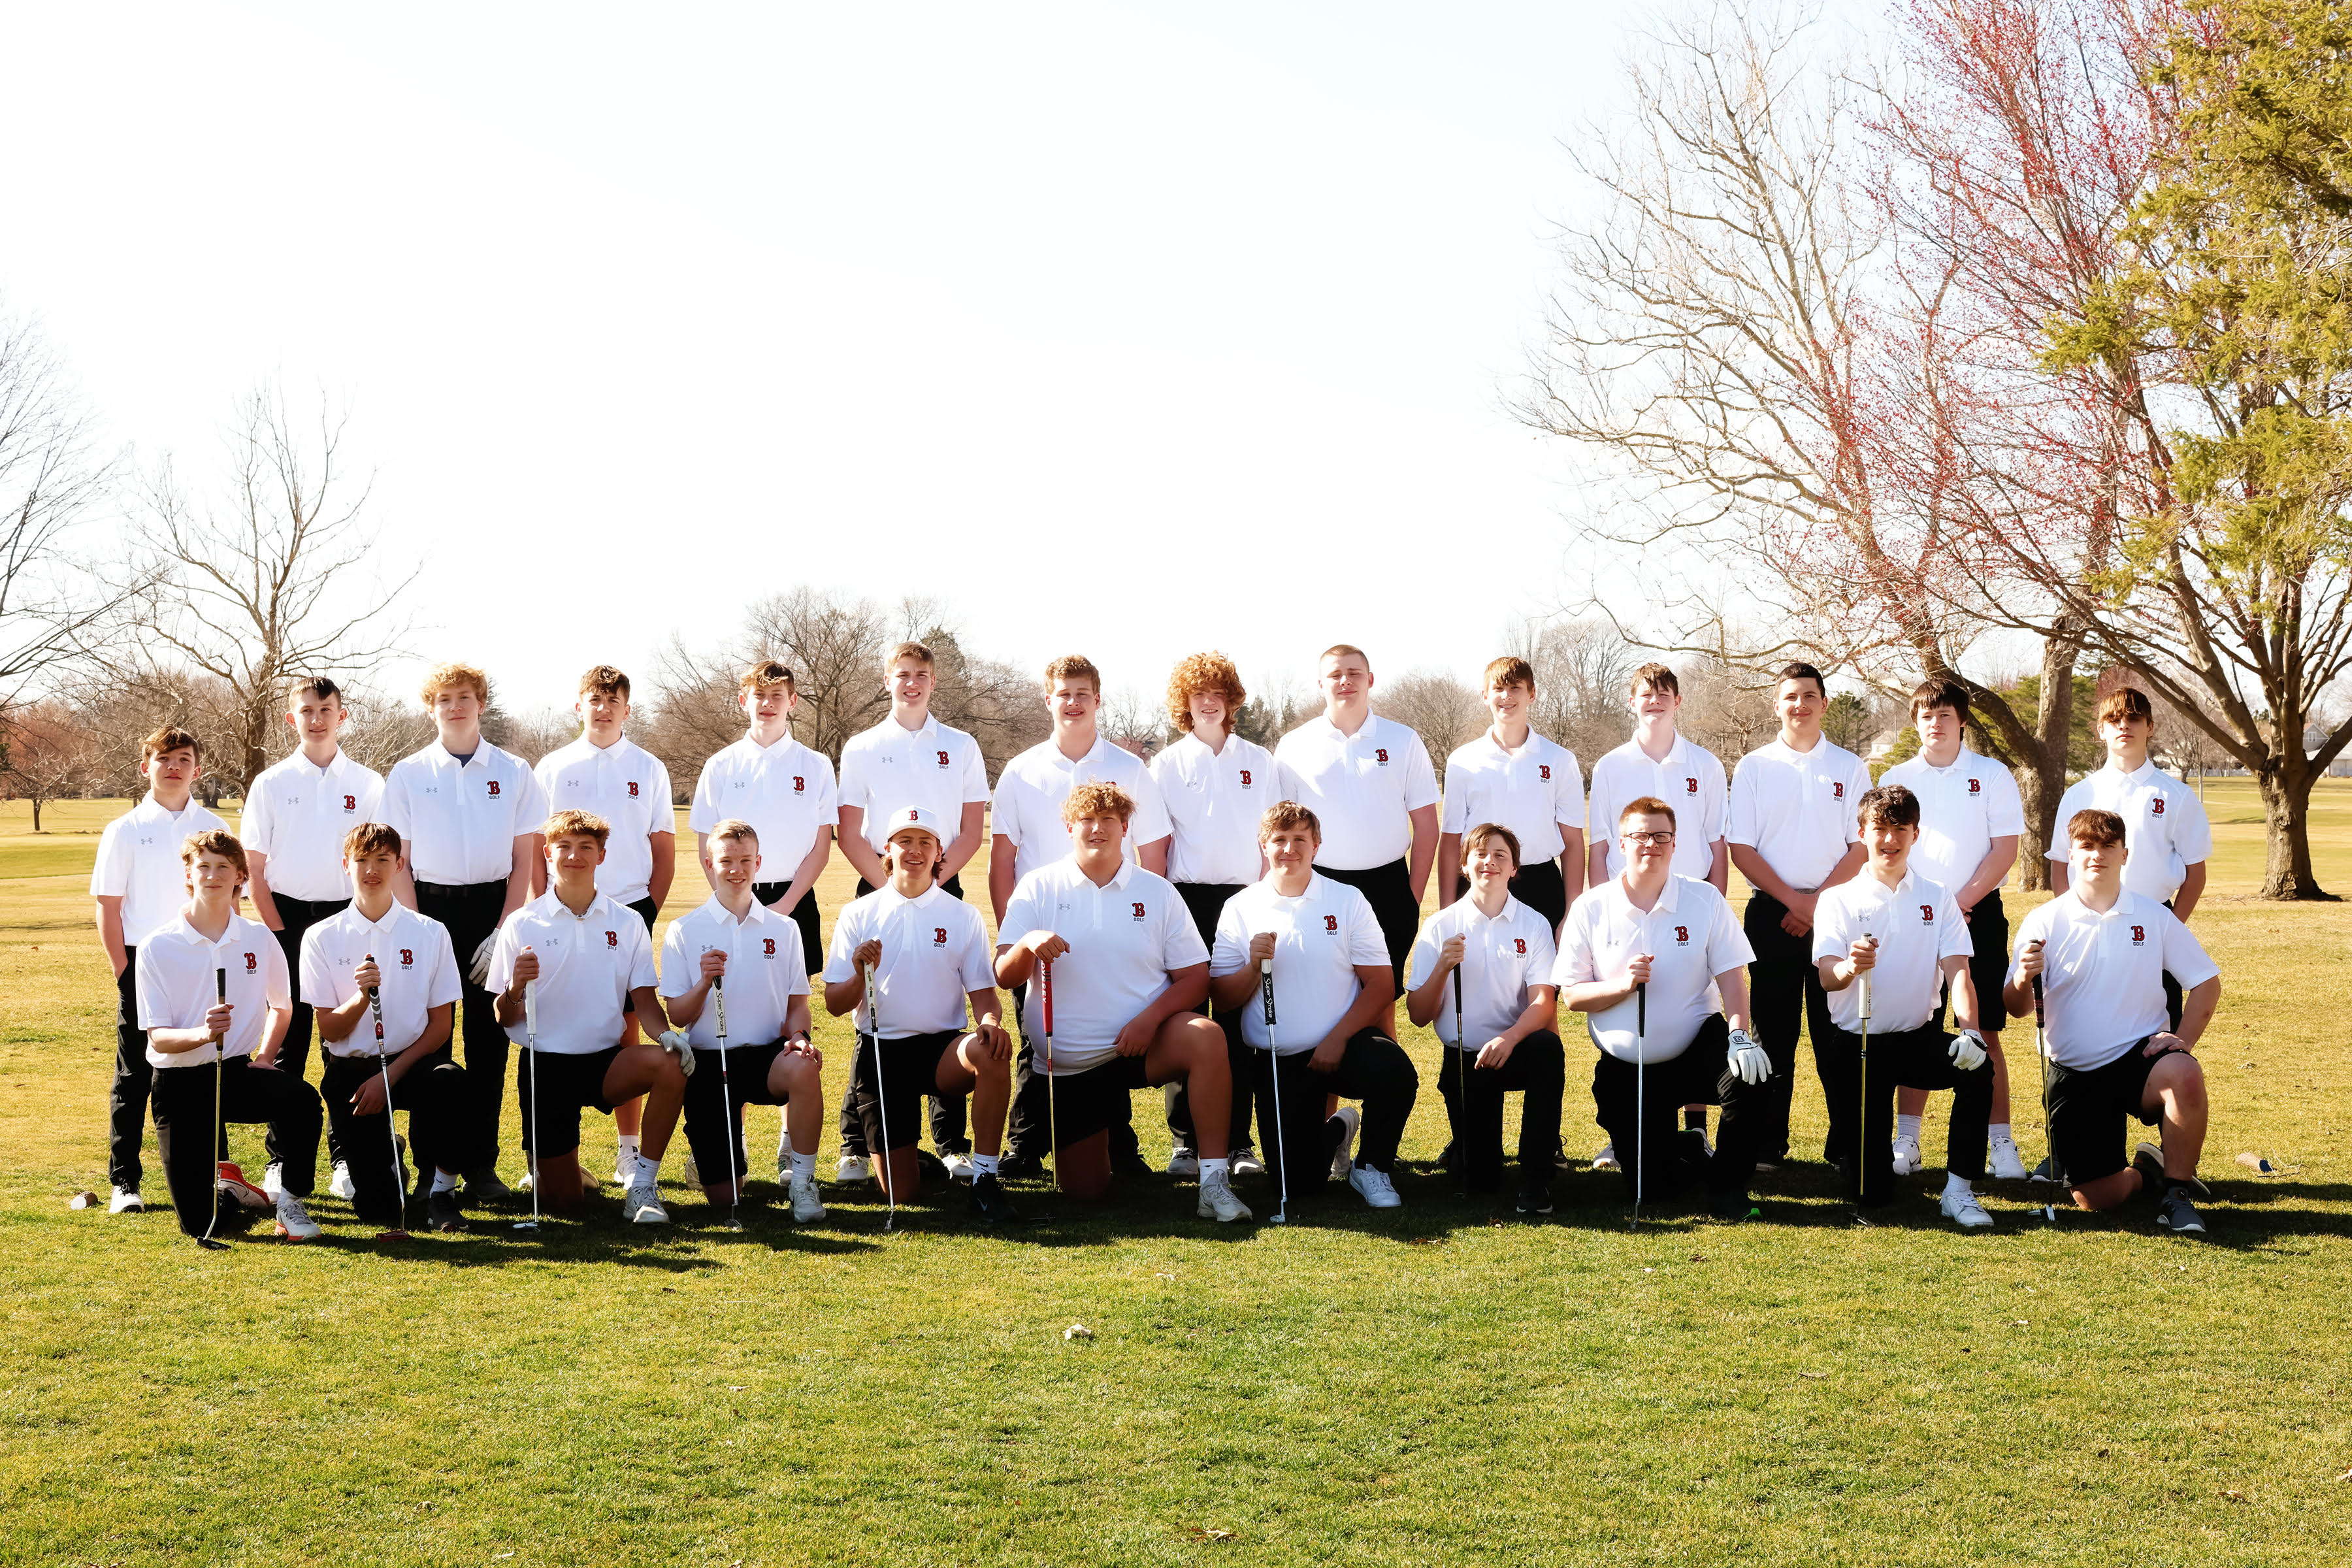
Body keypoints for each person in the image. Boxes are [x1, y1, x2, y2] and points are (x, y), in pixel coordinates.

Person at [993, 783, 1252, 1220]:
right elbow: (1005, 974)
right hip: (1071, 1063)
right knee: (1085, 1193)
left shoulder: (1157, 892)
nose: (1098, 829)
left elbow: (1195, 979)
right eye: (1088, 820)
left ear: (1126, 827)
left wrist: (1150, 1021)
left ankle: (1213, 1182)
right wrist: (1027, 944)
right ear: (1069, 826)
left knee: (1207, 1037)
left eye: (1109, 820)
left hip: (1142, 1045)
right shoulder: (1038, 886)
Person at [990, 654, 1171, 1172]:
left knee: (1109, 1036)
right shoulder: (1022, 771)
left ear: (1098, 699)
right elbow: (1002, 859)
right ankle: (1025, 1146)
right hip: (1042, 924)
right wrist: (1017, 934)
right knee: (1038, 1039)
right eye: (1063, 693)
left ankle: (1121, 1147)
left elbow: (1153, 854)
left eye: (1083, 693)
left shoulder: (1128, 769)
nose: (1073, 702)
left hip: (1115, 920)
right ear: (1049, 700)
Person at [1556, 798, 1772, 1221]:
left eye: (1661, 836)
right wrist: (1624, 986)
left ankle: (1728, 1186)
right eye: (1640, 835)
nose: (1651, 844)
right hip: (1628, 1066)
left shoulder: (1704, 899)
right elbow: (1573, 997)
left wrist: (1740, 1036)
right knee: (1651, 1190)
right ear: (1621, 843)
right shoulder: (1591, 908)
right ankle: (1686, 1148)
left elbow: (1732, 976)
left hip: (1698, 1044)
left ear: (1674, 844)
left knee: (1752, 1077)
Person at [2007, 808, 2219, 1235]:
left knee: (2184, 1073)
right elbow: (2016, 1007)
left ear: (2125, 854)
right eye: (2087, 846)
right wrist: (2021, 977)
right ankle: (2147, 1171)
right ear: (2071, 853)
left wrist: (2181, 1041)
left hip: (2140, 1059)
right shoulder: (2044, 920)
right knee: (2096, 1199)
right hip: (2075, 1071)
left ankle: (2176, 1196)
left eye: (2107, 846)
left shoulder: (2153, 916)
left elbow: (2206, 984)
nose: (2097, 856)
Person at [382, 662, 548, 1201]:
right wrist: (419, 929)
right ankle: (434, 1169)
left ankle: (481, 1166)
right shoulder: (407, 773)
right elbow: (399, 862)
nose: (455, 706)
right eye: (445, 699)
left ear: (481, 704)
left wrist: (505, 927)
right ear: (432, 708)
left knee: (488, 1047)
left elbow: (524, 860)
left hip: (490, 913)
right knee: (431, 1045)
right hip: (428, 910)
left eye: (466, 697)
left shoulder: (516, 770)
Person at [1207, 801, 1420, 1210]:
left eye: (1300, 839)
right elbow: (1224, 997)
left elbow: (1381, 983)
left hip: (1346, 1045)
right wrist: (1253, 967)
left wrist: (1338, 1039)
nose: (1289, 849)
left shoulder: (1347, 900)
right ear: (1263, 847)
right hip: (1280, 1057)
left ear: (1317, 845)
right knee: (1297, 1184)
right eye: (1279, 840)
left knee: (1395, 1073)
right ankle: (1339, 1129)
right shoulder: (1240, 907)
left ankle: (1371, 1167)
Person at [836, 640, 994, 1181]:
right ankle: (856, 1143)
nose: (911, 682)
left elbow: (972, 830)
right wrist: (893, 885)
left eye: (921, 674)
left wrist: (930, 882)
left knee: (942, 1004)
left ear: (933, 681)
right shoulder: (861, 746)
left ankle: (951, 1144)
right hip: (881, 882)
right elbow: (850, 831)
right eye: (902, 674)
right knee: (874, 1012)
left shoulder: (962, 745)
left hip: (942, 883)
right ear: (888, 680)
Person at [485, 809, 687, 1224]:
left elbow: (644, 1001)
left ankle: (643, 1186)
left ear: (602, 855)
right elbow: (503, 1017)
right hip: (546, 1066)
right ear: (547, 853)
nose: (574, 856)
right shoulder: (521, 923)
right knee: (565, 1204)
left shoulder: (628, 922)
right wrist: (515, 988)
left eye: (586, 848)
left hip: (606, 1061)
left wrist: (666, 1034)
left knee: (671, 1065)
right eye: (564, 847)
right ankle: (561, 1170)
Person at [1810, 785, 1998, 1229]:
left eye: (1900, 829)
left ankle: (1958, 1190)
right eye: (1880, 829)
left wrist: (1970, 1030)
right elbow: (1825, 976)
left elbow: (1959, 973)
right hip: (1856, 1048)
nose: (1889, 839)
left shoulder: (1937, 895)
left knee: (1978, 1067)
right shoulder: (1837, 899)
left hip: (1917, 1039)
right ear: (1862, 833)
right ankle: (1861, 1162)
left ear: (1916, 834)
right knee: (1870, 1193)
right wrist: (1851, 968)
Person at [825, 807, 1021, 1222]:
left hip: (943, 1051)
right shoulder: (858, 913)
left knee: (992, 1050)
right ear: (888, 850)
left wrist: (989, 1023)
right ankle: (917, 1162)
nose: (915, 851)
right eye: (905, 841)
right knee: (903, 1194)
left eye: (925, 842)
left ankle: (985, 1179)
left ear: (939, 852)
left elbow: (985, 997)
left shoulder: (962, 915)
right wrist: (861, 975)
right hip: (881, 1051)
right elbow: (835, 1004)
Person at [138, 828, 325, 1243]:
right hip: (179, 1084)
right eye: (203, 865)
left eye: (224, 866)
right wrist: (204, 1033)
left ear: (241, 875)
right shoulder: (156, 946)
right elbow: (158, 1040)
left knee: (303, 1101)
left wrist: (265, 1057)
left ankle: (290, 1202)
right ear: (188, 874)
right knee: (203, 1227)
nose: (213, 874)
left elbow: (283, 1006)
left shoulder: (259, 938)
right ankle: (228, 1192)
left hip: (235, 1073)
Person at [243, 676, 385, 1203]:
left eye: (326, 709)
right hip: (288, 922)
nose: (317, 719)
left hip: (348, 921)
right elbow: (254, 869)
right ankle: (282, 1162)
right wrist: (279, 935)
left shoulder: (370, 782)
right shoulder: (271, 783)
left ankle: (343, 1158)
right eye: (306, 710)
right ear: (291, 718)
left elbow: (382, 863)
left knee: (344, 1048)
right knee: (290, 1046)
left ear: (342, 715)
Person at [1878, 678, 2028, 1180]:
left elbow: (2005, 849)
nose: (1934, 724)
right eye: (1925, 715)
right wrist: (1938, 906)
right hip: (1912, 914)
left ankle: (2001, 1144)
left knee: (1983, 1029)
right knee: (1916, 1029)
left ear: (1962, 721)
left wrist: (1959, 903)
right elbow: (1888, 849)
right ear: (1915, 720)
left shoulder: (1992, 774)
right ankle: (1908, 1141)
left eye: (1944, 716)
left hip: (1977, 913)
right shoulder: (1898, 776)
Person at [534, 664, 678, 1183]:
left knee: (627, 1026)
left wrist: (646, 913)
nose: (604, 708)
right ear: (579, 706)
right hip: (562, 911)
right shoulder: (552, 766)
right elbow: (537, 848)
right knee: (552, 1019)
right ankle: (545, 1151)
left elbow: (663, 850)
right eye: (594, 699)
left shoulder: (649, 767)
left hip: (627, 910)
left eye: (613, 700)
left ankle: (628, 1148)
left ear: (627, 709)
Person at [1584, 661, 1730, 1169]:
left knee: (1691, 1012)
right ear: (1632, 702)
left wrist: (1715, 910)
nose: (1655, 700)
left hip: (1687, 911)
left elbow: (1717, 844)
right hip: (1627, 910)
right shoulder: (1609, 766)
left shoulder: (1706, 765)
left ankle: (1695, 1131)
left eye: (1664, 693)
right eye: (1646, 693)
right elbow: (1599, 844)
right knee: (1623, 1011)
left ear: (1678, 701)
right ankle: (1623, 1132)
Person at [1726, 661, 1869, 1168]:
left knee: (1837, 1035)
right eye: (1790, 697)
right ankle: (1768, 1144)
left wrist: (1816, 905)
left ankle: (1845, 1147)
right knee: (1773, 1032)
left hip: (1836, 913)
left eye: (1810, 696)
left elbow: (1861, 845)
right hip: (1772, 915)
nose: (1800, 705)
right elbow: (1741, 847)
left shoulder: (1850, 768)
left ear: (1825, 703)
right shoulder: (1754, 767)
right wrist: (1793, 901)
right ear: (1777, 705)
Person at [299, 822, 474, 1233]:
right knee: (376, 1209)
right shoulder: (320, 937)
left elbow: (440, 1026)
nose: (372, 869)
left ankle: (440, 1191)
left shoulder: (431, 932)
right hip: (353, 1073)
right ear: (346, 865)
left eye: (383, 860)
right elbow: (330, 1030)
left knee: (452, 1082)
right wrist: (362, 999)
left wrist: (389, 1077)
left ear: (399, 865)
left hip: (411, 1064)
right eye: (362, 860)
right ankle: (388, 1158)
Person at [658, 817, 828, 1224]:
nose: (736, 869)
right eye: (726, 861)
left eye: (745, 860)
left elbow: (798, 1004)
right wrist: (704, 981)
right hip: (708, 1061)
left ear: (759, 863)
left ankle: (803, 1183)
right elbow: (678, 1015)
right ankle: (712, 1161)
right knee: (724, 1197)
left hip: (767, 1057)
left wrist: (800, 1036)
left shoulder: (785, 929)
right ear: (709, 863)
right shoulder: (683, 929)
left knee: (805, 1066)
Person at [90, 726, 226, 1215]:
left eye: (184, 759)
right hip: (142, 961)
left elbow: (229, 898)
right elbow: (108, 907)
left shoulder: (214, 826)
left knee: (209, 1065)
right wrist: (123, 972)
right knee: (136, 1073)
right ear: (146, 766)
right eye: (164, 758)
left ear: (198, 768)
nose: (174, 767)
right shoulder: (123, 829)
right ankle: (125, 1181)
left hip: (202, 959)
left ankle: (219, 1175)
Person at [1147, 651, 1271, 1180]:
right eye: (1198, 694)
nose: (1208, 701)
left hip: (1245, 901)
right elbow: (1158, 843)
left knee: (1239, 1020)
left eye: (1218, 692)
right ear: (1185, 703)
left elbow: (1271, 840)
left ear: (1231, 699)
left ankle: (1239, 1143)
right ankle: (1186, 1143)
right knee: (1188, 1019)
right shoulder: (1166, 765)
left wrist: (1267, 900)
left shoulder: (1261, 761)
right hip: (1186, 901)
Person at [1272, 645, 1439, 1027]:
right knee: (1326, 1004)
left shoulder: (1403, 740)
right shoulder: (1294, 745)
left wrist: (1411, 896)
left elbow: (1427, 825)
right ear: (1320, 684)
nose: (1345, 681)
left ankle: (1386, 1085)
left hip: (1389, 885)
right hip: (1320, 886)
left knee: (1381, 1001)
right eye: (1335, 674)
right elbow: (1281, 832)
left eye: (1354, 673)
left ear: (1370, 680)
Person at [1404, 823, 1564, 1213]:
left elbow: (1544, 1003)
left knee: (1547, 1046)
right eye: (1480, 854)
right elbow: (1419, 1015)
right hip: (1466, 1060)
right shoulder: (1440, 926)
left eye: (1500, 856)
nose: (1489, 862)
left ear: (1514, 869)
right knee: (1480, 1180)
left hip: (1517, 1048)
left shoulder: (1534, 923)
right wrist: (1442, 966)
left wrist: (1509, 1038)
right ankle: (1471, 1153)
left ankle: (1536, 1177)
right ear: (1464, 865)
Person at [2046, 687, 2213, 1038]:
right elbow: (2061, 864)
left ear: (2150, 726)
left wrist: (2169, 929)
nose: (2124, 726)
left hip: (2154, 922)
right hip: (2088, 924)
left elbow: (2195, 873)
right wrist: (2068, 918)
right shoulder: (2079, 795)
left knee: (2155, 1035)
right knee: (2088, 1028)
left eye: (2134, 718)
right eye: (2113, 719)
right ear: (2100, 730)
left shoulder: (2176, 795)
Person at [1438, 657, 1584, 930]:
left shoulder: (1560, 760)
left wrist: (1571, 912)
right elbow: (1450, 839)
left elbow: (1573, 843)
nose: (1506, 696)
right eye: (1498, 688)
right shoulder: (1462, 760)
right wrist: (1447, 909)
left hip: (1540, 883)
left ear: (1532, 694)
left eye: (1516, 687)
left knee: (1543, 972)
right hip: (1479, 879)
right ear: (1485, 695)